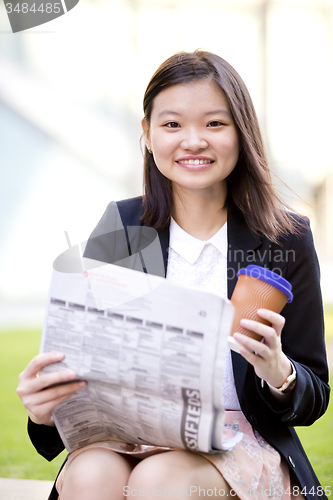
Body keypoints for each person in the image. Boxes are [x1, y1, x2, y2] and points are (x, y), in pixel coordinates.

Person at [17, 50, 330, 500]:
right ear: (147, 134)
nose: (194, 140)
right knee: (91, 476)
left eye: (215, 124)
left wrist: (279, 372)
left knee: (157, 480)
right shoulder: (122, 227)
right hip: (128, 435)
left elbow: (313, 393)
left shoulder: (285, 238)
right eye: (172, 125)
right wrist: (43, 408)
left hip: (239, 441)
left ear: (242, 132)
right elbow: (86, 358)